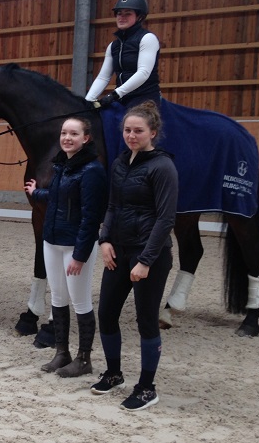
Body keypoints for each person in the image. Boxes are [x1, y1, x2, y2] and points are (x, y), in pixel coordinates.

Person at [91, 102, 177, 411]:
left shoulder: (163, 167)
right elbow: (112, 207)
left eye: (138, 131)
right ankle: (114, 374)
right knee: (106, 313)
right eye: (127, 130)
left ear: (152, 132)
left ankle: (146, 388)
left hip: (149, 254)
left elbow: (166, 219)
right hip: (119, 249)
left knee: (145, 320)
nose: (131, 135)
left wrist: (146, 260)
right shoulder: (119, 163)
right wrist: (104, 240)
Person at [24, 117, 107, 377]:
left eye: (74, 134)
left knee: (80, 301)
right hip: (53, 240)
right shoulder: (62, 165)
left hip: (75, 245)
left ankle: (84, 358)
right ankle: (62, 352)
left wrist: (80, 255)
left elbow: (91, 216)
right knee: (58, 298)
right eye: (64, 133)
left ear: (86, 138)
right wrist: (37, 193)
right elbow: (59, 196)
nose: (67, 138)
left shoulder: (92, 170)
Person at [85, 0, 161, 109]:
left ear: (139, 17)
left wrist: (115, 94)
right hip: (122, 98)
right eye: (119, 14)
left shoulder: (147, 39)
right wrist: (87, 101)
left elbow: (143, 72)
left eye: (128, 14)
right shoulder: (113, 46)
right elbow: (103, 77)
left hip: (145, 99)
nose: (121, 17)